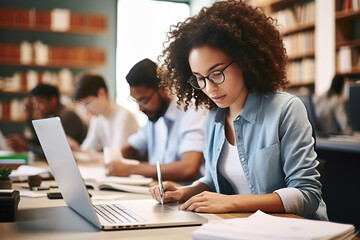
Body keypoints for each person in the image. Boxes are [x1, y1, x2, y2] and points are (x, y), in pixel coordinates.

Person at [149, 0, 328, 220]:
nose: (209, 88)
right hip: (241, 226)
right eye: (199, 79)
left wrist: (230, 202)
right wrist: (185, 191)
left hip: (293, 229)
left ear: (244, 60)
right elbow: (215, 180)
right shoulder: (215, 116)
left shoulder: (286, 110)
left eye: (216, 73)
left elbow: (307, 194)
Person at [106, 58, 207, 183]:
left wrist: (132, 169)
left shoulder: (191, 109)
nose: (141, 108)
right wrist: (111, 159)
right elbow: (132, 148)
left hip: (186, 195)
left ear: (163, 88)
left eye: (144, 100)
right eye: (136, 101)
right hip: (159, 191)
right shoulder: (154, 115)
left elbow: (188, 168)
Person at [70, 74, 140, 161]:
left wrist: (82, 152)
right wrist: (75, 149)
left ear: (101, 93)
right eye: (83, 105)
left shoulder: (123, 116)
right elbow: (87, 148)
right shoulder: (97, 118)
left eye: (88, 103)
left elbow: (115, 158)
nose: (86, 111)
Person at [5, 83, 87, 157]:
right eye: (35, 103)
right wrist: (30, 116)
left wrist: (27, 146)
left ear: (53, 100)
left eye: (40, 102)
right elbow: (40, 142)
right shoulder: (52, 115)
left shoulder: (68, 116)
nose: (36, 107)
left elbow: (54, 151)